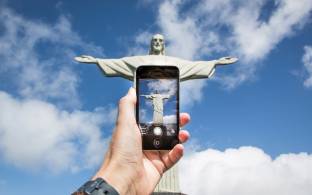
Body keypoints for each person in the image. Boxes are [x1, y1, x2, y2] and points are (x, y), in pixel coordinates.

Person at [72, 88, 190, 195]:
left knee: (161, 118)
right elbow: (148, 96)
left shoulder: (159, 97)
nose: (157, 94)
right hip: (156, 112)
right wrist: (122, 177)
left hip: (159, 112)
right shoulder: (154, 97)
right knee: (158, 117)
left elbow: (165, 97)